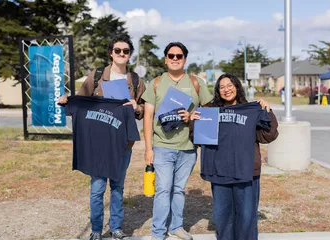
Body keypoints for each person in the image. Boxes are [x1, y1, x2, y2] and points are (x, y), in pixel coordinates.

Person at [58, 35, 146, 240]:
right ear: (111, 53)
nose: (121, 54)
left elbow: (146, 108)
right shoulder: (97, 76)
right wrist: (66, 100)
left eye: (125, 51)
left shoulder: (135, 80)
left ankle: (116, 228)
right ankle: (96, 230)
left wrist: (137, 106)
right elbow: (80, 100)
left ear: (130, 54)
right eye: (118, 50)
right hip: (99, 143)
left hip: (123, 143)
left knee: (117, 186)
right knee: (97, 189)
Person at [190, 73, 278, 240]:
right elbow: (198, 140)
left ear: (237, 87)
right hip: (220, 172)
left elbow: (269, 135)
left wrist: (268, 111)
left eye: (230, 85)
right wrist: (195, 122)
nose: (226, 90)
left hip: (246, 173)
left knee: (247, 218)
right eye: (222, 87)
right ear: (218, 91)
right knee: (223, 219)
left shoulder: (250, 111)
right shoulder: (211, 112)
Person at [141, 42, 213, 240]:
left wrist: (191, 116)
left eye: (179, 56)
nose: (175, 59)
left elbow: (208, 110)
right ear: (165, 59)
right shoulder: (155, 83)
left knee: (179, 190)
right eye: (171, 55)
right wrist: (148, 149)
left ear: (185, 59)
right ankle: (158, 232)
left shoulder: (196, 83)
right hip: (162, 146)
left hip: (188, 147)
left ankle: (176, 227)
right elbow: (147, 116)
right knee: (163, 189)